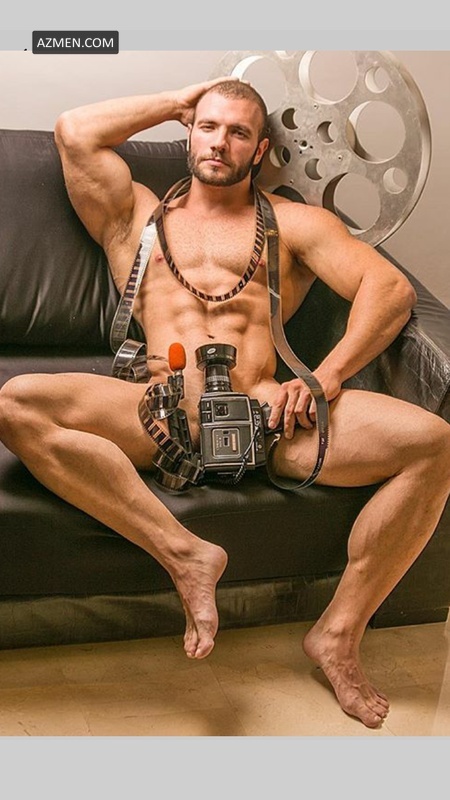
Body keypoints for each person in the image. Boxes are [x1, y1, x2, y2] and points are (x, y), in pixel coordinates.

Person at [1, 76, 449, 730]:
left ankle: (338, 634)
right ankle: (186, 554)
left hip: (270, 417)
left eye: (238, 132)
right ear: (189, 132)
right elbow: (76, 132)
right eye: (208, 126)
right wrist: (178, 101)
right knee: (17, 404)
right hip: (159, 414)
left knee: (434, 444)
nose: (219, 141)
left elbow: (389, 290)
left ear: (260, 149)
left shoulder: (293, 224)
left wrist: (324, 377)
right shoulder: (135, 217)